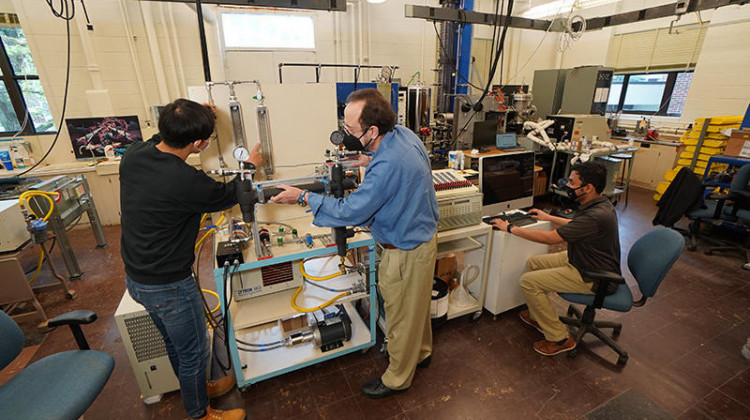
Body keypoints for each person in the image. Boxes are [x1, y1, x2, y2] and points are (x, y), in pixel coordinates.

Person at [270, 88, 439, 399]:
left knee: (400, 316)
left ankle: (397, 378)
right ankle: (422, 352)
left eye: (350, 130)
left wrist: (303, 196)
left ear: (372, 130)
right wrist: (366, 157)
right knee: (417, 307)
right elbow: (387, 164)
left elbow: (350, 210)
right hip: (423, 243)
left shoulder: (387, 166)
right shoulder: (402, 134)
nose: (345, 134)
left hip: (403, 253)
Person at [120, 98, 260, 420]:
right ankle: (199, 413)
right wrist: (250, 165)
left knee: (175, 346)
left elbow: (157, 140)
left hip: (137, 280)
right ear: (198, 143)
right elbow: (229, 195)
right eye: (207, 136)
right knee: (194, 352)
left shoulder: (134, 156)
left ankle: (196, 386)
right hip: (169, 285)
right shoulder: (186, 181)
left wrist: (192, 111)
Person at [490, 161, 621, 356]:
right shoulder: (600, 203)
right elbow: (575, 223)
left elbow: (551, 238)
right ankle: (538, 316)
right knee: (534, 262)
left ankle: (560, 338)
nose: (567, 186)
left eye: (571, 182)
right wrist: (548, 217)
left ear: (588, 188)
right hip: (583, 259)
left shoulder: (595, 215)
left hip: (593, 275)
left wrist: (510, 228)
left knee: (528, 282)